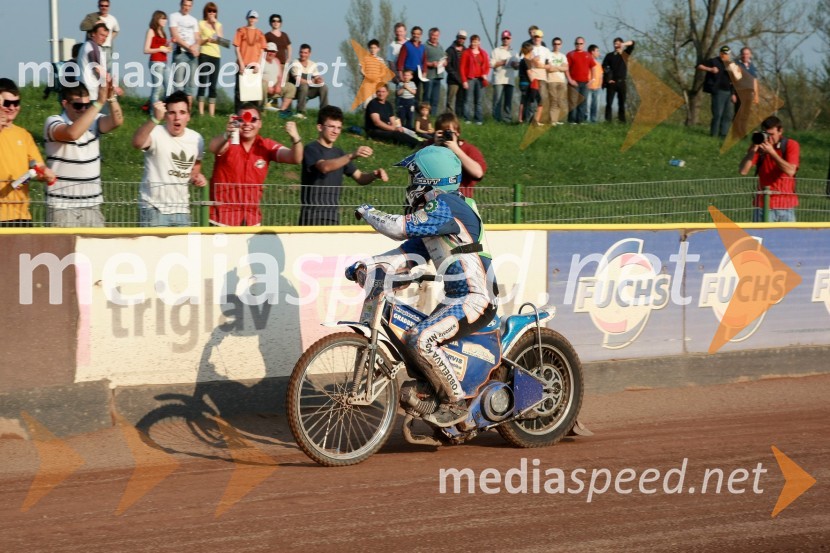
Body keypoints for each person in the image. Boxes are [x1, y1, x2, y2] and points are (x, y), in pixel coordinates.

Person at [348, 145, 499, 427]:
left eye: (413, 178)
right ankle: (432, 395)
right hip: (456, 300)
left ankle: (453, 405)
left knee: (421, 338)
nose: (410, 185)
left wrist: (368, 211)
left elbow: (398, 228)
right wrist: (366, 265)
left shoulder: (449, 208)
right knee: (411, 336)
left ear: (429, 181)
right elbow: (404, 256)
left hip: (476, 299)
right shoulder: (434, 223)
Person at [43, 79, 123, 227]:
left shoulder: (94, 120)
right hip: (62, 207)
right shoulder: (53, 121)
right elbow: (72, 133)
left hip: (92, 204)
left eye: (87, 105)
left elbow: (117, 121)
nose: (83, 109)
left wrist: (111, 98)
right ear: (65, 104)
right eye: (78, 105)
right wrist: (98, 103)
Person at [208, 103, 302, 226]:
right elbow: (213, 147)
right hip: (222, 219)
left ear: (260, 124)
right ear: (236, 121)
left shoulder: (266, 145)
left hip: (251, 220)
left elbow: (295, 158)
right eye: (242, 120)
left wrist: (296, 139)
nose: (247, 124)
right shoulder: (228, 142)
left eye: (253, 120)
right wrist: (227, 134)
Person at [300, 106, 388, 226]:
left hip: (333, 217)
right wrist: (351, 155)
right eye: (331, 126)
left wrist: (374, 175)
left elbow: (360, 178)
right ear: (319, 127)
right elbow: (324, 167)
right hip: (312, 217)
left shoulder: (339, 153)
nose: (335, 131)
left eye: (339, 127)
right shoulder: (311, 149)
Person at [132, 91, 206, 227]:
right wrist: (154, 119)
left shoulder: (197, 139)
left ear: (188, 116)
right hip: (154, 209)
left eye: (182, 112)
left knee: (183, 248)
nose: (177, 117)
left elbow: (195, 167)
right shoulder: (156, 132)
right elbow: (137, 143)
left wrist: (196, 177)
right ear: (166, 115)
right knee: (154, 249)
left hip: (182, 210)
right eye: (172, 113)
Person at [0, 79, 56, 226]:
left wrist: (44, 172)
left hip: (21, 215)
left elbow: (37, 166)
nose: (12, 107)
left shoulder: (23, 135)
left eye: (16, 103)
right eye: (7, 103)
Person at [739, 116, 799, 222]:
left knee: (788, 238)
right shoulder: (760, 147)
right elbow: (743, 171)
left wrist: (772, 153)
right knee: (763, 238)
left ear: (780, 131)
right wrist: (753, 148)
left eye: (772, 135)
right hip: (764, 205)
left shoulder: (790, 145)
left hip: (786, 204)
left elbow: (790, 171)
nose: (769, 138)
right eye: (766, 134)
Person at [430, 112, 486, 198]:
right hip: (434, 201)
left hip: (460, 201)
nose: (445, 136)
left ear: (457, 132)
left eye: (448, 132)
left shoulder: (468, 149)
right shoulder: (429, 147)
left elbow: (478, 173)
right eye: (442, 132)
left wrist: (456, 150)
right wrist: (435, 147)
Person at [698, 45, 736, 138]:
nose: (725, 55)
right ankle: (713, 134)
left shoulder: (731, 64)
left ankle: (723, 134)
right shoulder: (713, 61)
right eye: (723, 53)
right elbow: (699, 65)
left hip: (729, 92)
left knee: (728, 115)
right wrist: (710, 69)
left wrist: (734, 93)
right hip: (718, 91)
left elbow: (736, 80)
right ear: (720, 53)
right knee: (718, 114)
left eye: (727, 54)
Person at [233, 10, 267, 112]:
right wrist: (241, 63)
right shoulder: (241, 30)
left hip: (254, 66)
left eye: (254, 17)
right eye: (250, 17)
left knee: (254, 92)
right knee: (239, 91)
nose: (252, 19)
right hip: (243, 64)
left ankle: (253, 113)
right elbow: (237, 47)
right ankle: (238, 113)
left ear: (257, 19)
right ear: (247, 18)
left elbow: (262, 50)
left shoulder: (260, 33)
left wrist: (258, 64)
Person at [170, 0, 200, 107]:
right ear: (181, 5)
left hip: (192, 55)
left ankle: (188, 112)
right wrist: (189, 48)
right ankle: (177, 108)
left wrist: (196, 46)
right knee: (178, 84)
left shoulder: (194, 20)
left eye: (189, 6)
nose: (186, 8)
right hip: (180, 53)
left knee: (190, 85)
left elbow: (197, 37)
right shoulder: (174, 16)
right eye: (185, 5)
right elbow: (175, 37)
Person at [196, 2, 223, 117]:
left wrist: (214, 25)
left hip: (216, 56)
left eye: (214, 11)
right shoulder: (200, 23)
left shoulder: (218, 25)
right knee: (203, 82)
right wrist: (206, 40)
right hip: (204, 54)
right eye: (209, 11)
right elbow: (197, 41)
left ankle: (211, 113)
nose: (212, 13)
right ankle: (201, 112)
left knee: (213, 84)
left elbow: (221, 40)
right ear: (205, 12)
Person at [289, 44, 330, 119]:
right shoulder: (295, 63)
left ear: (309, 54)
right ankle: (301, 112)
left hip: (308, 90)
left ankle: (325, 113)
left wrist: (319, 80)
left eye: (305, 53)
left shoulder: (313, 64)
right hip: (295, 90)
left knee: (324, 87)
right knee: (303, 85)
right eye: (301, 52)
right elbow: (298, 80)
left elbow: (317, 77)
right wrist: (312, 81)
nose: (303, 55)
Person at [79, 0, 119, 73]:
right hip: (95, 47)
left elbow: (116, 30)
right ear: (98, 6)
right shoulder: (91, 17)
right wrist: (95, 25)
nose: (104, 8)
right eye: (102, 5)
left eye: (106, 6)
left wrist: (109, 39)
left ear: (109, 7)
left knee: (107, 70)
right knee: (95, 70)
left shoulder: (112, 19)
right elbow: (82, 26)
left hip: (107, 49)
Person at [602, 37, 635, 123]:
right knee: (609, 103)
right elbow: (604, 67)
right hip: (612, 83)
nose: (616, 45)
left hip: (622, 82)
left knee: (621, 104)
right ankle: (608, 121)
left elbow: (633, 43)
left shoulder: (625, 54)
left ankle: (622, 121)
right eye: (615, 43)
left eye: (618, 43)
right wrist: (608, 79)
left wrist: (623, 45)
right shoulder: (609, 56)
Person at [77, 22, 111, 102]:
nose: (104, 38)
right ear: (93, 34)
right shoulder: (92, 47)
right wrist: (110, 84)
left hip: (83, 90)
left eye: (106, 36)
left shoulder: (85, 45)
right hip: (92, 93)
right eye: (102, 35)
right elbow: (97, 69)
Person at [460, 35, 490, 125]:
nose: (474, 43)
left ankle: (479, 119)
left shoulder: (483, 53)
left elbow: (487, 66)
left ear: (479, 42)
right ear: (470, 42)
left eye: (476, 41)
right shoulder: (466, 53)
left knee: (479, 101)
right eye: (473, 41)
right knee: (468, 100)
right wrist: (464, 80)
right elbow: (462, 67)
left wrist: (485, 74)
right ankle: (467, 118)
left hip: (480, 79)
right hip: (470, 78)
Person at [566, 36, 596, 124]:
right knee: (573, 102)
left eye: (581, 43)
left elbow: (593, 67)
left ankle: (580, 121)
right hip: (574, 82)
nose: (579, 45)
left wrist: (592, 79)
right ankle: (572, 121)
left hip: (585, 83)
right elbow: (566, 68)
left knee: (583, 102)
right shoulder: (570, 54)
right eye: (577, 43)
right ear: (574, 44)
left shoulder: (588, 55)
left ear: (584, 44)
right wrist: (570, 80)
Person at [144, 11, 171, 107]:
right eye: (163, 18)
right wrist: (160, 49)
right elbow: (146, 50)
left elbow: (162, 46)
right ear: (157, 19)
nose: (165, 21)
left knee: (169, 88)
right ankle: (153, 113)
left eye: (166, 18)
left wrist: (168, 46)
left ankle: (164, 109)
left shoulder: (163, 32)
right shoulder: (151, 31)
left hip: (164, 62)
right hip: (155, 62)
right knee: (157, 88)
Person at [490, 30, 518, 123]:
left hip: (510, 80)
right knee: (497, 101)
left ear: (511, 39)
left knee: (508, 102)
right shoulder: (496, 51)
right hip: (499, 79)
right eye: (504, 38)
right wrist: (503, 62)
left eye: (507, 38)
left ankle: (507, 120)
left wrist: (515, 65)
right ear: (501, 39)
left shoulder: (514, 52)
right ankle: (496, 120)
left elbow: (517, 67)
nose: (506, 40)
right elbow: (492, 64)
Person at [262, 43, 296, 117]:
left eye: (273, 51)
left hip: (276, 87)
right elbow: (257, 77)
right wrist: (268, 85)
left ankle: (281, 112)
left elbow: (280, 76)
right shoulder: (261, 61)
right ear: (265, 51)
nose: (271, 53)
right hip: (264, 88)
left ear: (276, 52)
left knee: (291, 87)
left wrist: (278, 85)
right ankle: (262, 112)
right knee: (263, 85)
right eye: (269, 51)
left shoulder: (276, 61)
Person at [542, 35, 567, 126]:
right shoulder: (549, 54)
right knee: (553, 100)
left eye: (558, 44)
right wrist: (559, 67)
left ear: (561, 45)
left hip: (562, 80)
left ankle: (555, 120)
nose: (556, 45)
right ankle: (552, 121)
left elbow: (566, 68)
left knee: (560, 101)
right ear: (552, 44)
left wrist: (556, 67)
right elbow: (549, 68)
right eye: (555, 44)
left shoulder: (563, 56)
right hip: (551, 80)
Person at [397, 26, 427, 102]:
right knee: (405, 93)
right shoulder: (406, 46)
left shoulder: (422, 47)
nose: (416, 35)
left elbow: (424, 61)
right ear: (411, 34)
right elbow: (400, 61)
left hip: (418, 74)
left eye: (418, 34)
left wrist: (424, 72)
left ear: (420, 35)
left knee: (416, 93)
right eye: (414, 33)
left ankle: (415, 111)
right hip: (408, 74)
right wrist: (400, 74)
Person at [422, 28, 446, 115]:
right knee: (427, 97)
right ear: (429, 35)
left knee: (435, 99)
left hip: (438, 76)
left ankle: (433, 116)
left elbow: (444, 57)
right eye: (433, 35)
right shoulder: (425, 46)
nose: (435, 37)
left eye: (436, 35)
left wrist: (444, 62)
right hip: (429, 76)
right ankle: (424, 116)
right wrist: (431, 64)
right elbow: (422, 61)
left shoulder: (440, 46)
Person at [445, 30, 467, 115]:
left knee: (460, 100)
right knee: (450, 100)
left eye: (463, 38)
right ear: (457, 37)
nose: (461, 40)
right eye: (460, 38)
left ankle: (459, 117)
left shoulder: (466, 50)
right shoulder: (450, 50)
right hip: (452, 80)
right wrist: (455, 76)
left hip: (463, 80)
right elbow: (447, 66)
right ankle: (448, 117)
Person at [518, 43, 540, 124]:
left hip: (522, 83)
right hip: (526, 83)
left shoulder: (523, 60)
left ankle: (521, 119)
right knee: (525, 102)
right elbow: (529, 73)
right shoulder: (526, 61)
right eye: (532, 51)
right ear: (529, 51)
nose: (533, 53)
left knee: (523, 101)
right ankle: (522, 119)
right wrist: (534, 82)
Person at [586, 44, 603, 123]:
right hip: (588, 88)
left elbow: (601, 75)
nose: (598, 53)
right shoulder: (586, 62)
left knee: (595, 106)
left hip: (597, 88)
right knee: (587, 106)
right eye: (597, 51)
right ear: (592, 52)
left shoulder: (598, 64)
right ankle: (586, 121)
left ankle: (594, 121)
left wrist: (600, 85)